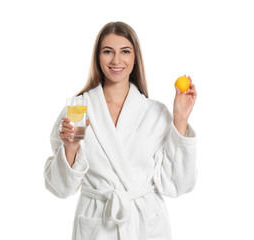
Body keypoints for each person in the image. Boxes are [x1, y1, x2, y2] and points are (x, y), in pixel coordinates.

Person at [44, 21, 197, 240]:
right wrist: (71, 148)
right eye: (108, 51)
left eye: (125, 51)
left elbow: (177, 184)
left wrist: (181, 118)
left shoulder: (155, 112)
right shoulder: (79, 108)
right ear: (98, 57)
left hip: (145, 225)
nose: (116, 60)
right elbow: (60, 188)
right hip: (98, 225)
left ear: (135, 58)